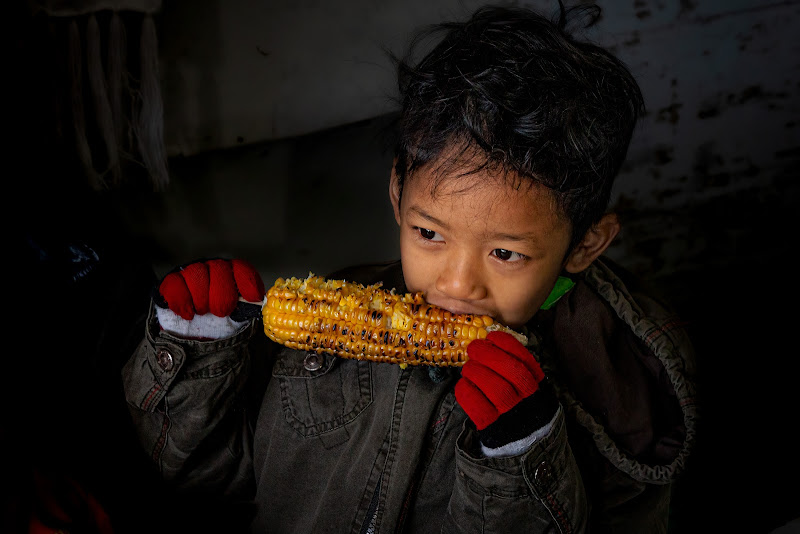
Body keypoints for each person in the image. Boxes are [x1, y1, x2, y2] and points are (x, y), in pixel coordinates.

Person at [121, 3, 698, 533]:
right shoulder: (322, 337)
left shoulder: (621, 393)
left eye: (506, 254)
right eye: (429, 234)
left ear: (585, 244)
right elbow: (201, 484)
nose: (455, 284)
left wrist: (521, 453)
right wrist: (193, 352)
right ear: (398, 191)